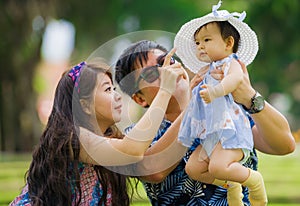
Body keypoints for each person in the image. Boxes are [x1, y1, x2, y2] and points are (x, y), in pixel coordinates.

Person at [114, 38, 295, 205]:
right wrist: (193, 107)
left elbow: (284, 145)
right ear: (140, 99)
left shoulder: (227, 110)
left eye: (167, 61)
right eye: (151, 74)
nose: (167, 71)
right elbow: (153, 170)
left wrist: (250, 97)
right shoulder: (136, 136)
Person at [10, 60, 185, 205]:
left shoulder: (109, 140)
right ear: (84, 105)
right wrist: (165, 90)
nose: (117, 96)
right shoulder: (76, 138)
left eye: (114, 89)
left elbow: (153, 166)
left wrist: (191, 108)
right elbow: (133, 149)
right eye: (108, 89)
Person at [174, 1, 266, 205]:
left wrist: (216, 91)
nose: (200, 46)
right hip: (212, 134)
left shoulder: (231, 63)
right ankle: (230, 182)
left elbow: (235, 80)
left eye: (206, 40)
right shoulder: (207, 71)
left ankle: (254, 181)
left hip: (231, 131)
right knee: (193, 168)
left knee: (216, 167)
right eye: (197, 43)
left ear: (228, 43)